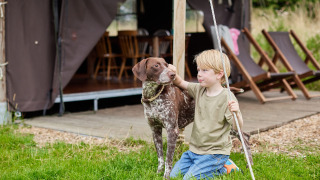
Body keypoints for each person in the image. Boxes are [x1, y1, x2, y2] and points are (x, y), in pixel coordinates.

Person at [169, 49, 243, 180]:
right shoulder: (199, 90)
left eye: (204, 70)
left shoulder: (227, 97)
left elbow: (237, 127)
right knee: (174, 176)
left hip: (214, 152)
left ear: (219, 74)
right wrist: (172, 73)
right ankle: (220, 167)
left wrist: (236, 113)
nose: (199, 74)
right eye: (198, 70)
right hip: (194, 151)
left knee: (188, 179)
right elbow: (180, 82)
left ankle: (224, 165)